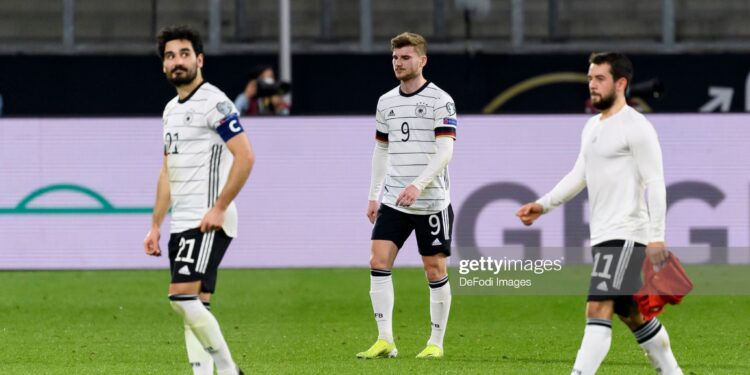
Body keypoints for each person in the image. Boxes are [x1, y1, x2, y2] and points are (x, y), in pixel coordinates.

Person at [516, 52, 683, 375]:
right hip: (605, 234)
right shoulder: (593, 126)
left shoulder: (637, 127)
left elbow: (656, 183)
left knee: (597, 306)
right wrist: (543, 204)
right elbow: (580, 174)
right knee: (632, 312)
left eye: (599, 78)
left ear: (621, 83)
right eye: (590, 78)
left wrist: (657, 237)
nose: (592, 85)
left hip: (627, 233)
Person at [144, 25, 254, 375]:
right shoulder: (169, 110)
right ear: (163, 65)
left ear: (199, 59)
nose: (178, 61)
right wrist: (155, 225)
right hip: (181, 221)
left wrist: (219, 208)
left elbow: (246, 156)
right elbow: (167, 173)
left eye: (185, 54)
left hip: (206, 219)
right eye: (170, 56)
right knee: (195, 304)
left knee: (181, 297)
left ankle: (228, 369)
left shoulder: (214, 102)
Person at [357, 32, 457, 360]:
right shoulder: (386, 101)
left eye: (406, 58)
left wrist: (418, 185)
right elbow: (381, 149)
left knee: (434, 269)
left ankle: (435, 343)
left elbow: (445, 152)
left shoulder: (441, 100)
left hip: (431, 200)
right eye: (395, 58)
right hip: (393, 200)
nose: (399, 64)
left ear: (422, 60)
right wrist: (374, 195)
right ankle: (385, 340)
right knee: (378, 261)